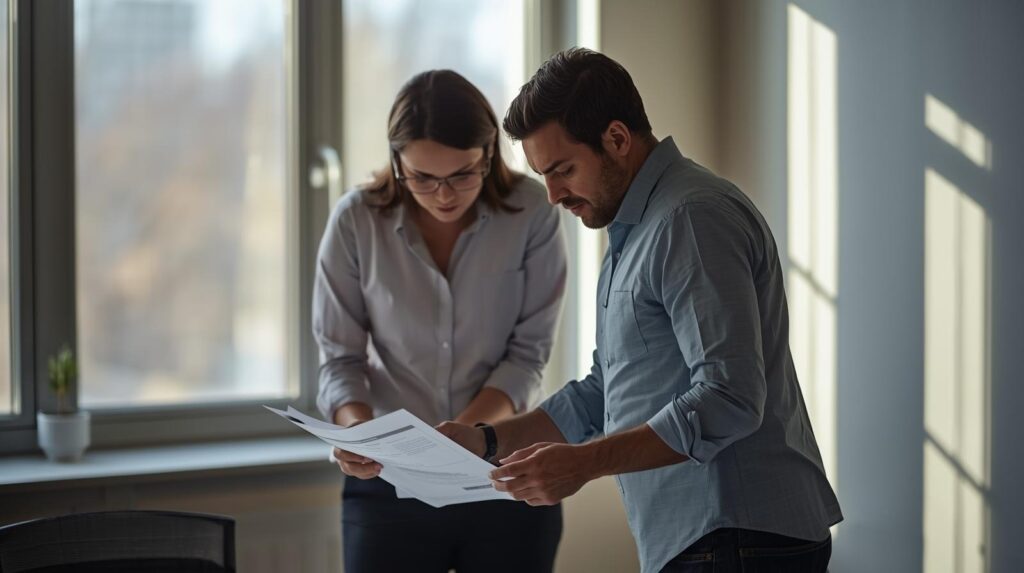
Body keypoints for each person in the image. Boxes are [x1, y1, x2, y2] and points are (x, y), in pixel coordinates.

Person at [438, 48, 843, 573]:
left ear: (617, 139)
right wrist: (485, 440)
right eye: (544, 176)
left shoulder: (689, 219)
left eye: (562, 170)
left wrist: (583, 464)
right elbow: (603, 391)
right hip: (712, 540)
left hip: (737, 539)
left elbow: (731, 397)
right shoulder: (635, 230)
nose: (555, 196)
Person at [313, 70, 567, 573]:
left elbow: (527, 356)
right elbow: (339, 360)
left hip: (507, 472)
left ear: (489, 153)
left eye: (462, 174)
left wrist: (467, 437)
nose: (444, 194)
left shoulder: (531, 213)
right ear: (396, 162)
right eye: (423, 177)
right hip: (388, 481)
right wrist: (358, 434)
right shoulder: (355, 221)